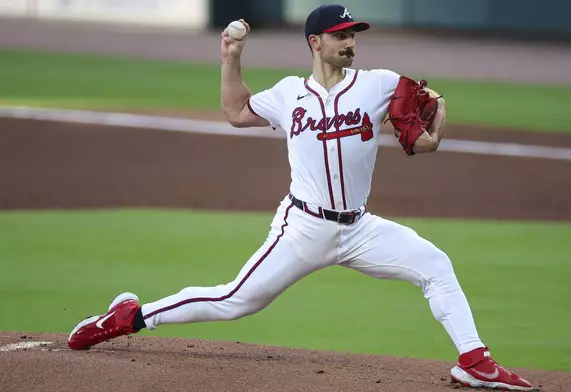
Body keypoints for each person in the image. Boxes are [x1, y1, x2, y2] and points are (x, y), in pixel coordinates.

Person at [67, 4, 534, 391]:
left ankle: (474, 361)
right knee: (237, 300)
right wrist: (230, 57)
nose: (350, 42)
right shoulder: (290, 94)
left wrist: (438, 113)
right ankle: (131, 316)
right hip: (303, 228)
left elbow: (427, 123)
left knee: (435, 265)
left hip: (360, 229)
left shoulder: (380, 84)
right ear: (316, 42)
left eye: (353, 34)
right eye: (340, 35)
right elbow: (235, 111)